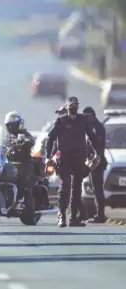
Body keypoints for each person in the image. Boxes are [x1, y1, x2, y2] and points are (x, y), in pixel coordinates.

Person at [45, 97, 103, 227]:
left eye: (75, 105)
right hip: (64, 158)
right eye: (71, 105)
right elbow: (51, 137)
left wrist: (97, 153)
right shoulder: (61, 121)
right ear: (66, 107)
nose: (73, 107)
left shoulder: (83, 120)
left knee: (76, 190)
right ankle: (61, 215)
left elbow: (92, 137)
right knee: (65, 187)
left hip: (79, 159)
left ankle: (73, 218)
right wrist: (48, 155)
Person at [82, 106, 107, 223]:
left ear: (91, 116)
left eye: (86, 117)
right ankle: (98, 213)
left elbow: (99, 147)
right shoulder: (90, 127)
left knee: (97, 189)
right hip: (92, 161)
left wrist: (96, 160)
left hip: (97, 161)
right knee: (94, 188)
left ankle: (100, 215)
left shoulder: (98, 128)